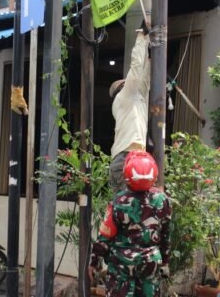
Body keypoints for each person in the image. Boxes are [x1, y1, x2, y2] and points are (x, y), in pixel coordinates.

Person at [89, 151, 171, 297]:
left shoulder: (118, 201)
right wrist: (165, 261)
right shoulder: (163, 201)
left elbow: (105, 237)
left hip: (121, 266)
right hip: (149, 264)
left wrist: (94, 263)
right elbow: (166, 235)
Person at [109, 28, 151, 192]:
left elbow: (145, 80)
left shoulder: (134, 100)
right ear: (122, 87)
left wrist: (151, 57)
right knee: (133, 205)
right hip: (126, 159)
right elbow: (136, 68)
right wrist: (141, 38)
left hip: (131, 159)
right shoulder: (125, 96)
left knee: (129, 206)